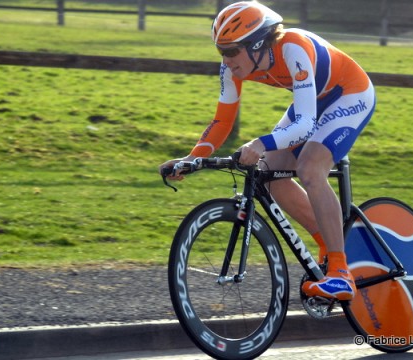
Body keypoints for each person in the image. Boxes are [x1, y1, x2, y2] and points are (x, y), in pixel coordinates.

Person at [159, 1, 375, 301]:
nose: (226, 59)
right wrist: (192, 157)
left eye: (232, 50)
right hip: (311, 101)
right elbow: (222, 120)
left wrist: (260, 143)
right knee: (270, 174)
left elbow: (304, 125)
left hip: (348, 94)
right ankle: (327, 243)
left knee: (311, 168)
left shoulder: (293, 49)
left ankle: (340, 274)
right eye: (221, 50)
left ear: (258, 45)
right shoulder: (232, 67)